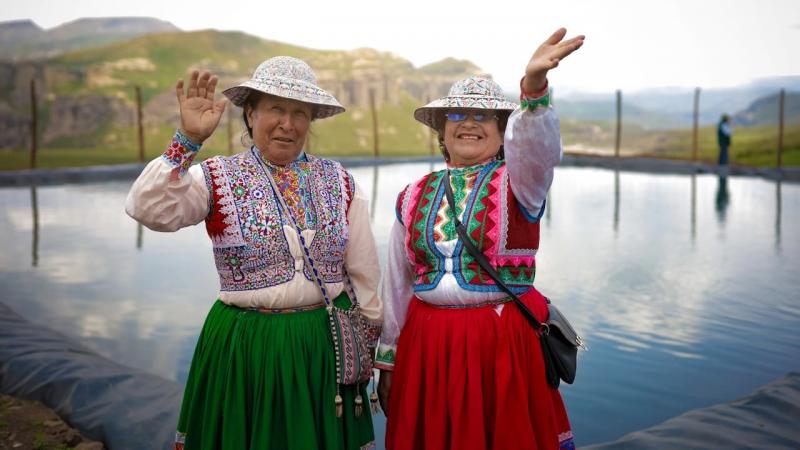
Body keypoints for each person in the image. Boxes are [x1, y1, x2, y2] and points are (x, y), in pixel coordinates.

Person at [125, 56, 382, 450]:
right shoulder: (216, 177)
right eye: (276, 108)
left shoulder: (340, 181)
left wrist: (368, 349)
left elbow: (364, 272)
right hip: (245, 344)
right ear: (251, 113)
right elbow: (148, 209)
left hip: (320, 344)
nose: (288, 123)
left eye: (300, 113)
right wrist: (186, 142)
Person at [375, 28, 583, 450]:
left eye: (482, 116)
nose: (468, 122)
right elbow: (397, 284)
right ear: (442, 130)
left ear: (502, 130)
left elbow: (538, 149)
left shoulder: (520, 183)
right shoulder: (412, 195)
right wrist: (388, 362)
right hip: (429, 346)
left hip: (500, 346)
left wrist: (535, 89)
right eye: (456, 115)